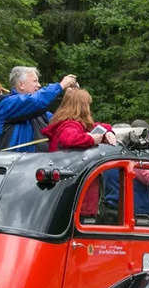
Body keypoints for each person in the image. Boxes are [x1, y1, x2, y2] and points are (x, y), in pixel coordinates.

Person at [41, 88, 115, 218]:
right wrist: (91, 139)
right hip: (76, 192)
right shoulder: (70, 125)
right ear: (82, 106)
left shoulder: (71, 123)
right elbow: (69, 139)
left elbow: (100, 125)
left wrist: (108, 132)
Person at [0, 66, 78, 152]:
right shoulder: (7, 103)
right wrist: (61, 85)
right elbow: (35, 101)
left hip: (36, 163)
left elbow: (60, 120)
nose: (39, 85)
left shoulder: (37, 111)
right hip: (12, 163)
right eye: (35, 81)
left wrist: (70, 97)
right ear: (21, 85)